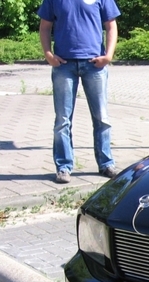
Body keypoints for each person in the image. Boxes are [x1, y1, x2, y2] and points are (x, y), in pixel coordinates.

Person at [37, 0, 121, 184]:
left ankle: (106, 163)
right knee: (62, 120)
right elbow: (44, 27)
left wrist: (108, 56)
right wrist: (48, 55)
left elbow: (111, 25)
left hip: (95, 65)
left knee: (102, 118)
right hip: (63, 65)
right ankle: (64, 167)